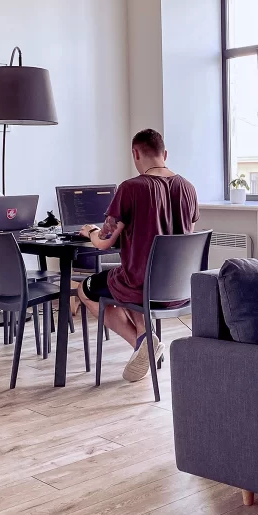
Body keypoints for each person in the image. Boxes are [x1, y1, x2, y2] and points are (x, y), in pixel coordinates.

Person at [78, 128, 199, 382]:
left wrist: (90, 231)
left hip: (140, 285)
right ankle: (147, 340)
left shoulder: (131, 188)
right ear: (164, 154)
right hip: (178, 290)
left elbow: (103, 242)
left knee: (86, 290)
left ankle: (144, 342)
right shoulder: (188, 188)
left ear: (135, 153)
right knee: (125, 279)